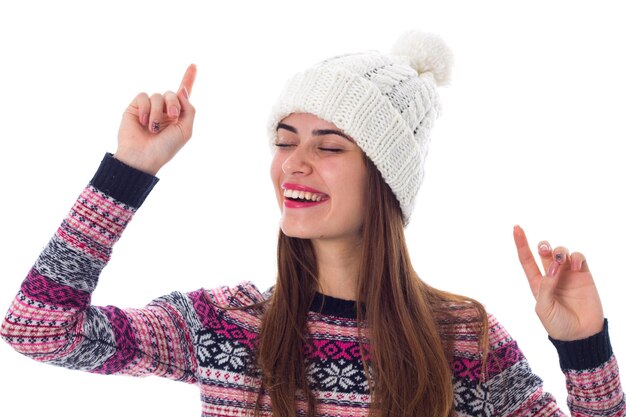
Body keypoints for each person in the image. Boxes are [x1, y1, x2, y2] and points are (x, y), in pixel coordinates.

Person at [1, 30, 623, 417]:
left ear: (385, 179)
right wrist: (128, 171)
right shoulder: (227, 326)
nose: (293, 164)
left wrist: (583, 346)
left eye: (329, 147)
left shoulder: (463, 340)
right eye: (284, 139)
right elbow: (37, 331)